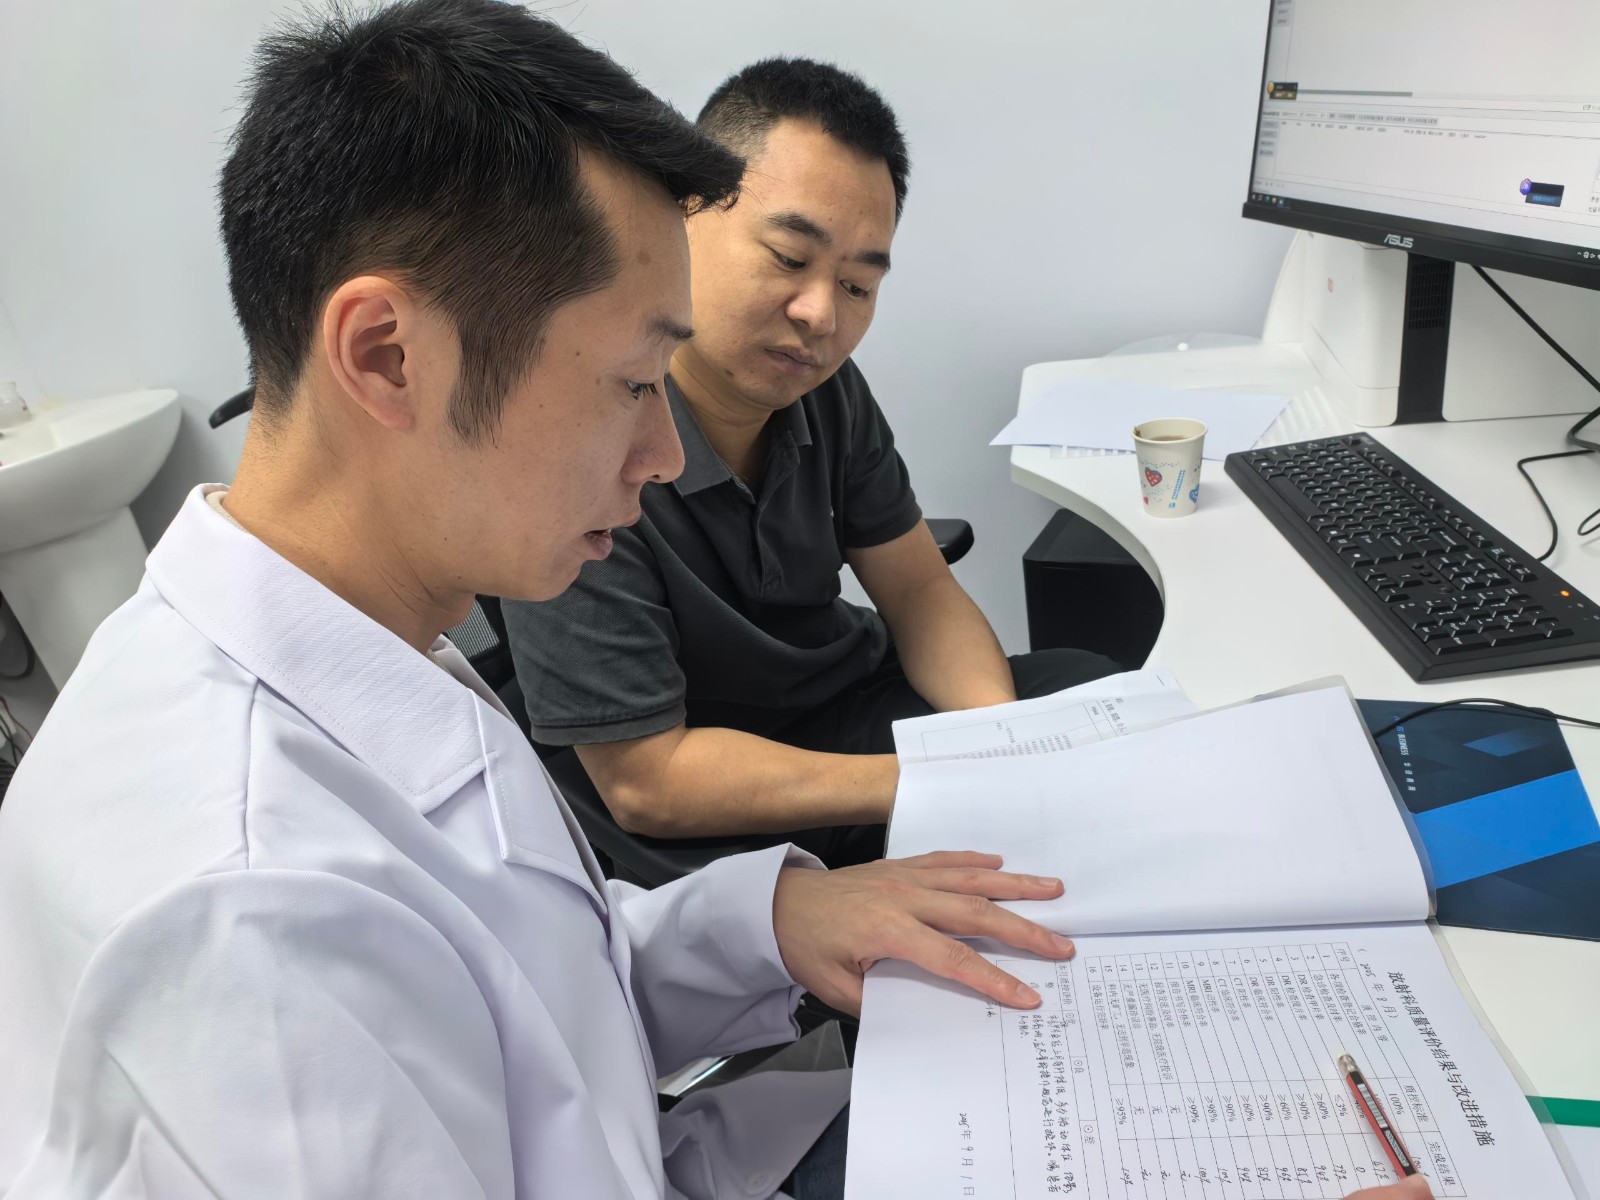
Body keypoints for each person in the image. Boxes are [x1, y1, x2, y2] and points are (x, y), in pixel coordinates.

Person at [0, 4, 1082, 1196]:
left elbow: (531, 993)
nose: (662, 456)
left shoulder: (368, 636)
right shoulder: (248, 926)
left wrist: (769, 926)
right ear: (387, 355)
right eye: (631, 383)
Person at [503, 59, 1120, 868]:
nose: (821, 315)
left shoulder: (822, 390)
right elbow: (645, 782)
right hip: (702, 800)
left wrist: (996, 741)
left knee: (1085, 691)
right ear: (684, 212)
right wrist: (944, 783)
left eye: (858, 286)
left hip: (836, 716)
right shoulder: (572, 434)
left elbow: (919, 589)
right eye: (791, 259)